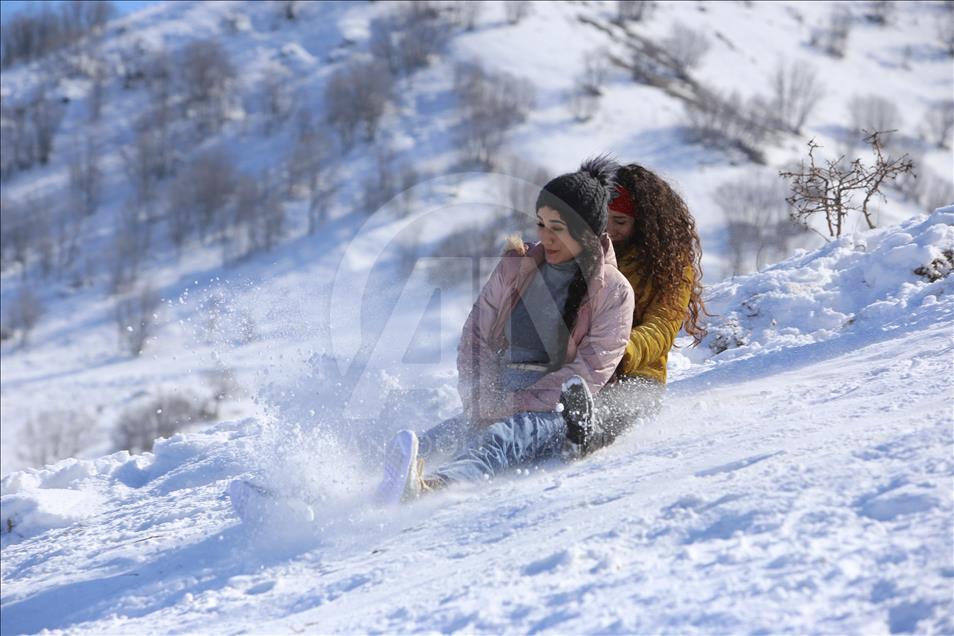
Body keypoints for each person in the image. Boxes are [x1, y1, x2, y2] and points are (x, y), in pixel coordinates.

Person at [375, 157, 636, 504]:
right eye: (541, 224)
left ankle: (428, 490)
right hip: (501, 393)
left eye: (557, 227)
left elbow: (590, 371)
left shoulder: (613, 290)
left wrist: (513, 405)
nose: (545, 236)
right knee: (443, 436)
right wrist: (481, 398)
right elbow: (475, 337)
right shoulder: (517, 267)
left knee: (500, 438)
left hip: (559, 408)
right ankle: (371, 487)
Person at [559, 163, 708, 457]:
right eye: (605, 219)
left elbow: (663, 326)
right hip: (578, 368)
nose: (610, 230)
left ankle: (583, 435)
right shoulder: (585, 252)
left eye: (621, 221)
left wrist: (620, 352)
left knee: (621, 407)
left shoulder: (670, 265)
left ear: (643, 221)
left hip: (638, 372)